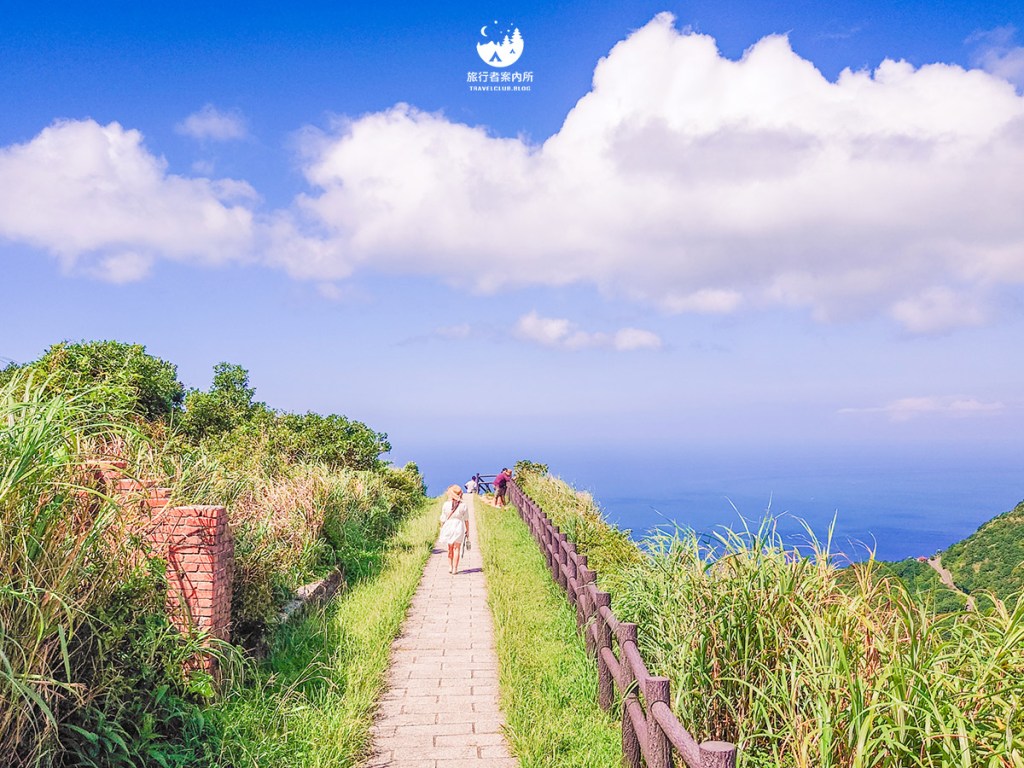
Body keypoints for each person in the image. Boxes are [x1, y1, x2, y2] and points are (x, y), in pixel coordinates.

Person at [438, 485, 470, 574]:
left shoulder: (446, 504)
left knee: (450, 548)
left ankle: (450, 566)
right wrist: (468, 530)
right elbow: (466, 520)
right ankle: (455, 568)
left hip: (449, 525)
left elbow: (443, 518)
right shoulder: (463, 505)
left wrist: (442, 528)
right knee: (457, 548)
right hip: (459, 526)